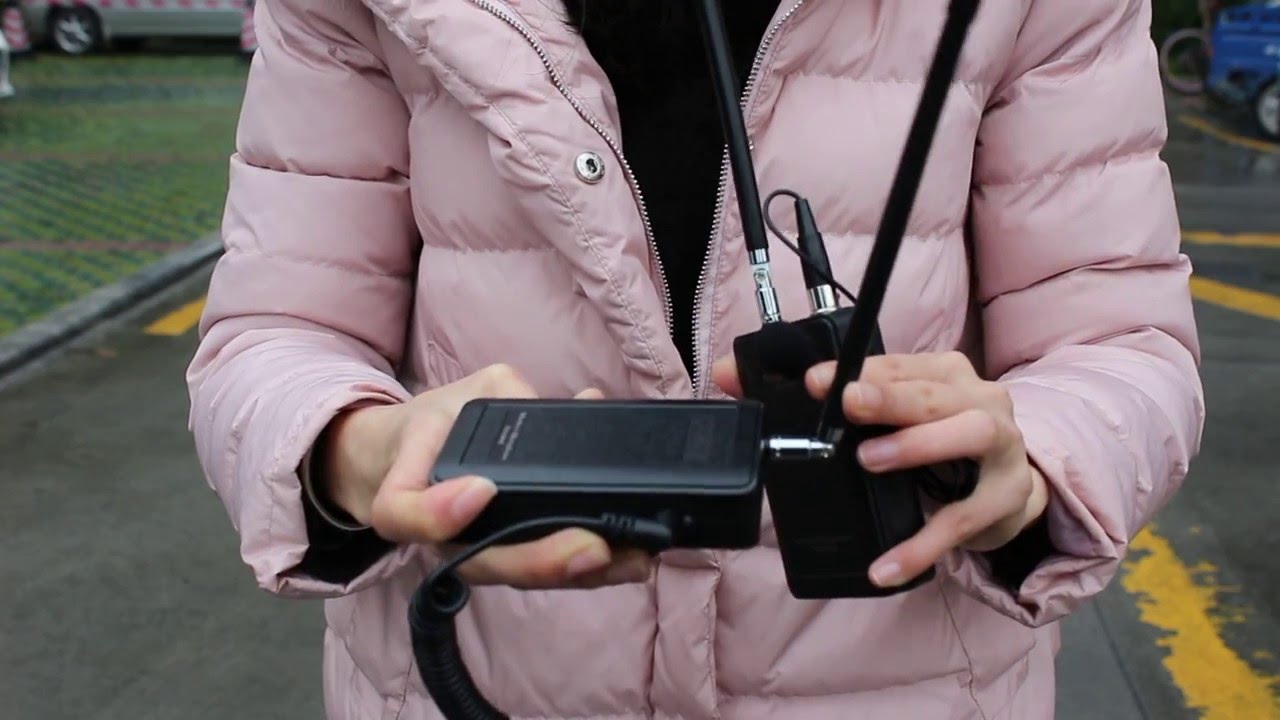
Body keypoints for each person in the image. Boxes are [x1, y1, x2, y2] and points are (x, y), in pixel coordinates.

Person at [186, 1, 1205, 718]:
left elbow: (1117, 341)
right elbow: (274, 332)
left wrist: (1032, 457)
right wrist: (351, 450)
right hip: (459, 684)